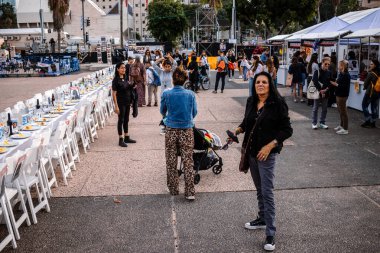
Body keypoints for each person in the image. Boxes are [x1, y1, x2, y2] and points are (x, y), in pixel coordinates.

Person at [234, 71, 292, 252]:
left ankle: (270, 233)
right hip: (251, 152)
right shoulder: (252, 101)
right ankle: (262, 218)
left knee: (267, 191)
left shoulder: (277, 104)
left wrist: (270, 145)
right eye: (258, 82)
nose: (260, 85)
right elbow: (247, 121)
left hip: (266, 155)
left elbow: (287, 130)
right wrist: (239, 128)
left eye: (264, 82)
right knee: (259, 189)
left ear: (270, 85)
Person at [160, 67, 198, 200]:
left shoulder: (166, 93)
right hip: (187, 129)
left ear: (173, 79)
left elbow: (162, 110)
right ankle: (190, 192)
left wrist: (168, 117)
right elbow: (194, 112)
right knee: (188, 160)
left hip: (171, 129)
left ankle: (174, 189)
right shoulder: (191, 94)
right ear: (185, 79)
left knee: (171, 160)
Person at [112, 62, 137, 147]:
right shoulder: (115, 80)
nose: (124, 69)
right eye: (122, 68)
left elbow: (127, 87)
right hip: (121, 102)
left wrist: (133, 86)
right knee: (121, 120)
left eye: (124, 68)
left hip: (127, 101)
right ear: (117, 69)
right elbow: (114, 94)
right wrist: (116, 106)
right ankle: (120, 139)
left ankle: (126, 136)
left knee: (126, 120)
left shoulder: (126, 77)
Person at [330, 60, 351, 134]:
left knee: (343, 111)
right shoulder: (341, 74)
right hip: (338, 94)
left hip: (343, 95)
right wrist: (335, 83)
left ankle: (345, 129)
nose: (338, 67)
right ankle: (342, 125)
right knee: (340, 111)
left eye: (339, 65)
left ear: (342, 66)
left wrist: (336, 84)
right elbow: (339, 83)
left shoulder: (346, 75)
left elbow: (345, 86)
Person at [312, 57, 332, 130]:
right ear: (322, 63)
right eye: (325, 64)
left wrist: (326, 89)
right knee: (315, 108)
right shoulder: (317, 71)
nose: (327, 65)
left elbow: (330, 82)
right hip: (318, 92)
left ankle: (322, 123)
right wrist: (321, 90)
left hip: (326, 92)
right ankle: (314, 123)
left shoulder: (329, 72)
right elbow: (315, 81)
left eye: (328, 64)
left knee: (324, 109)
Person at [361, 59, 380, 128]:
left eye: (372, 64)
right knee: (374, 107)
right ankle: (373, 122)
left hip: (370, 92)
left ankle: (368, 120)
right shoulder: (379, 73)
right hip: (377, 93)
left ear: (375, 65)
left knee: (364, 105)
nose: (370, 65)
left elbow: (365, 83)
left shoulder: (371, 74)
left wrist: (365, 87)